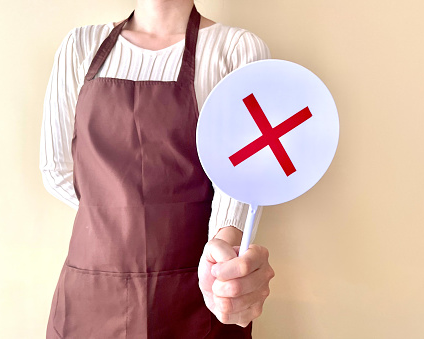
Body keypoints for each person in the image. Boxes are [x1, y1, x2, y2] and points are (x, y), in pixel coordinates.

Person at [40, 1, 275, 338]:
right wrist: (125, 220)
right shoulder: (80, 46)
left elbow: (242, 173)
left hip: (196, 288)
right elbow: (56, 168)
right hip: (91, 290)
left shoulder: (239, 50)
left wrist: (224, 248)